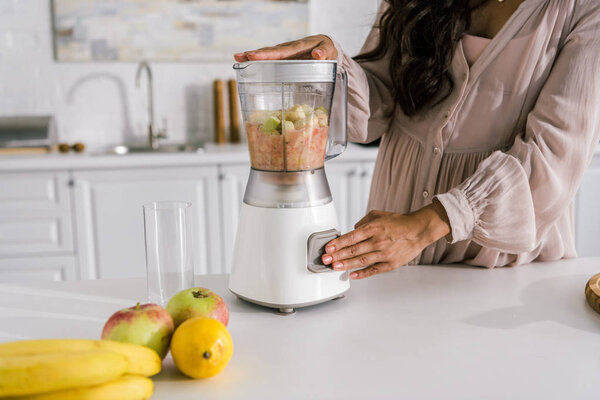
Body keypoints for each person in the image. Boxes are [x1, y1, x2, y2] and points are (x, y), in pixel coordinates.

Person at [234, 0, 600, 279]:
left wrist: (428, 224)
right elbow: (377, 108)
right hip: (396, 240)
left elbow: (554, 154)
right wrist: (332, 69)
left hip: (500, 261)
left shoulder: (584, 9)